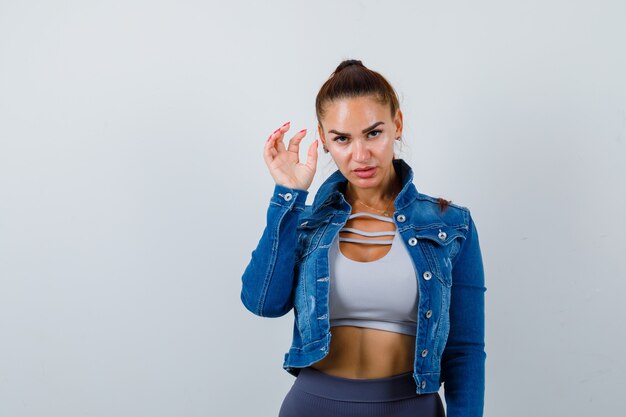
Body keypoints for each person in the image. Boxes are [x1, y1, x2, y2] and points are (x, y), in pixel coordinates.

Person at [240, 59, 486, 417]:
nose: (360, 155)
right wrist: (288, 197)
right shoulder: (307, 224)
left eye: (373, 133)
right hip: (313, 405)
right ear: (324, 140)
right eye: (342, 138)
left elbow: (465, 349)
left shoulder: (450, 224)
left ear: (397, 125)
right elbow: (263, 302)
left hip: (410, 408)